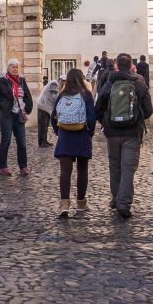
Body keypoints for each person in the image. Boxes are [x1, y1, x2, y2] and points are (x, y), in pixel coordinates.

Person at [95, 53, 151, 219]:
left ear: (117, 66)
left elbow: (98, 107)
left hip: (112, 132)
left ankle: (115, 198)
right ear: (131, 65)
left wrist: (106, 122)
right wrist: (136, 118)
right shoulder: (139, 83)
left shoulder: (110, 82)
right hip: (132, 133)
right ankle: (123, 203)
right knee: (128, 168)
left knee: (115, 165)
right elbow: (149, 110)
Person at [51, 67, 98, 219]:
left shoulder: (61, 95)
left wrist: (59, 132)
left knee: (65, 172)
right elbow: (91, 117)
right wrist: (89, 133)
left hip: (65, 137)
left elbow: (53, 117)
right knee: (82, 170)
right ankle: (81, 203)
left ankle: (64, 205)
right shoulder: (86, 95)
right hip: (81, 135)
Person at [0, 59, 34, 176]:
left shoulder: (22, 81)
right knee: (6, 141)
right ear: (8, 68)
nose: (15, 69)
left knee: (22, 142)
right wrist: (3, 106)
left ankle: (23, 166)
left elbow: (28, 96)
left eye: (16, 67)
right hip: (7, 115)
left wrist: (27, 108)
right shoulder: (2, 81)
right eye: (13, 67)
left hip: (19, 114)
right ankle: (2, 166)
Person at [36, 75, 62, 148]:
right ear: (61, 80)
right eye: (64, 81)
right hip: (43, 106)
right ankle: (41, 143)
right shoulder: (54, 84)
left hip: (45, 106)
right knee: (42, 125)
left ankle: (44, 141)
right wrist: (61, 97)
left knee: (46, 125)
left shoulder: (56, 84)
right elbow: (54, 96)